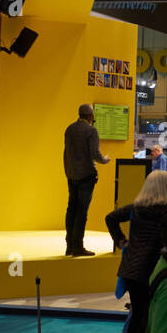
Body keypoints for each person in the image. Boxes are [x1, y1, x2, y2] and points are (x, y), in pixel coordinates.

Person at [105, 171, 167, 333]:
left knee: (138, 313)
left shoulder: (136, 208)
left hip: (131, 268)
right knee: (149, 315)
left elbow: (110, 217)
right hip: (152, 269)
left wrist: (121, 241)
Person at [63, 104, 111, 256]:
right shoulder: (91, 131)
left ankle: (69, 245)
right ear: (90, 116)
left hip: (71, 174)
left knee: (71, 209)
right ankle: (78, 246)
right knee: (82, 211)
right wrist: (105, 160)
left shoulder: (69, 129)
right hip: (86, 175)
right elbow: (95, 153)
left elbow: (67, 152)